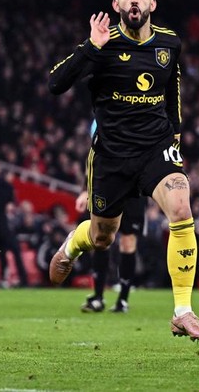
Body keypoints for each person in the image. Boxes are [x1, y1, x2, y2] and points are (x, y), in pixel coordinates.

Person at [47, 0, 199, 341]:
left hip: (156, 148)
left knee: (182, 207)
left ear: (152, 4)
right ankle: (73, 244)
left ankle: (182, 311)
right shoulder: (102, 45)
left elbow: (173, 95)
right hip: (112, 155)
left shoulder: (169, 43)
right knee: (104, 236)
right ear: (116, 5)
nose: (134, 0)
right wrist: (90, 47)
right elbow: (55, 84)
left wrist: (177, 137)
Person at [78, 120, 143, 314]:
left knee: (128, 243)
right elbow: (93, 156)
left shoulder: (138, 114)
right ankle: (98, 297)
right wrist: (85, 189)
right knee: (101, 239)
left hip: (133, 190)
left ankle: (123, 299)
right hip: (109, 186)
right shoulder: (103, 117)